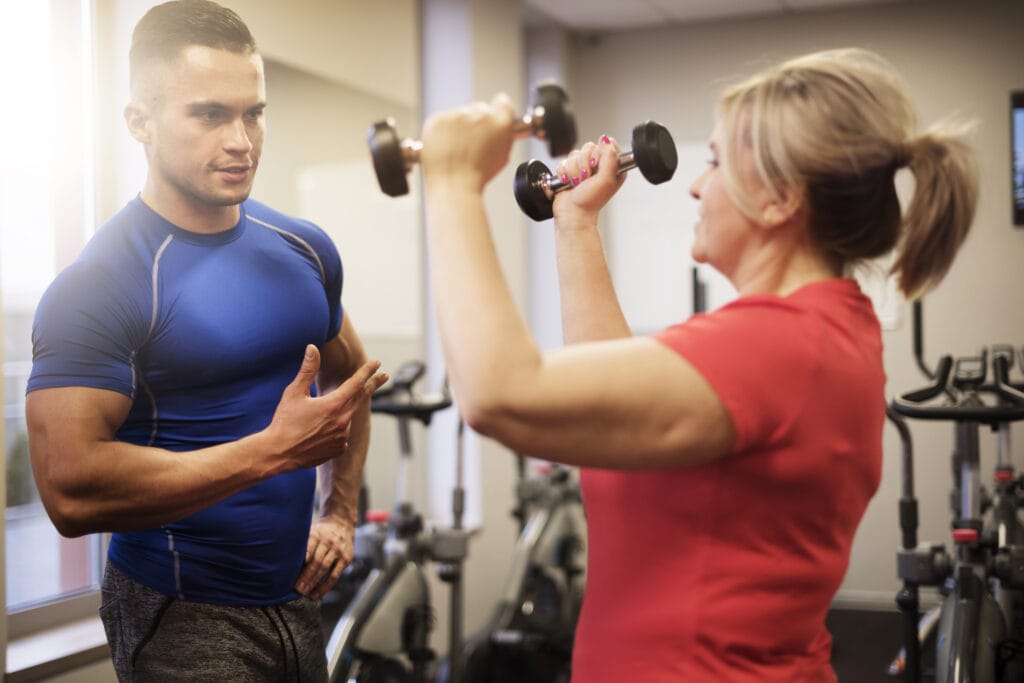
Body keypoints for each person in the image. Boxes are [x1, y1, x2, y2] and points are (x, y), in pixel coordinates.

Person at [416, 48, 977, 681]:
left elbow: (500, 394)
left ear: (779, 199)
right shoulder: (819, 332)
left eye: (714, 162)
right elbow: (611, 399)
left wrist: (452, 183)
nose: (695, 184)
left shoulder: (778, 346)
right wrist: (574, 222)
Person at [25, 1, 388, 680]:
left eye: (253, 113)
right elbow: (70, 492)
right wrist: (273, 451)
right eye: (210, 114)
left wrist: (339, 514)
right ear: (140, 121)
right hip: (182, 608)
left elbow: (353, 378)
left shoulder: (303, 248)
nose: (242, 140)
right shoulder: (103, 281)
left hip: (298, 595)